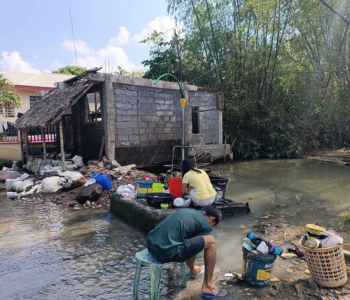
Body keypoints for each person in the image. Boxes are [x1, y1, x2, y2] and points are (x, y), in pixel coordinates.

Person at [147, 206, 227, 298]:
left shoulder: (188, 211)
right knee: (211, 241)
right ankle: (208, 285)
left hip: (151, 246)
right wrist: (192, 267)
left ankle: (182, 264)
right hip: (164, 254)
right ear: (212, 218)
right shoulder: (205, 224)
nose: (210, 226)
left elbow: (186, 238)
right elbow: (195, 248)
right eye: (212, 224)